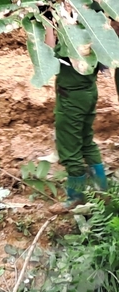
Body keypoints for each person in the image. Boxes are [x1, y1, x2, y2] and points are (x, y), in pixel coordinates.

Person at [44, 26, 107, 214]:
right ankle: (102, 191)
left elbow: (48, 55)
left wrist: (48, 25)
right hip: (88, 92)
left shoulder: (71, 40)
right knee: (87, 142)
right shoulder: (92, 32)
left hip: (71, 99)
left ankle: (75, 197)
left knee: (69, 150)